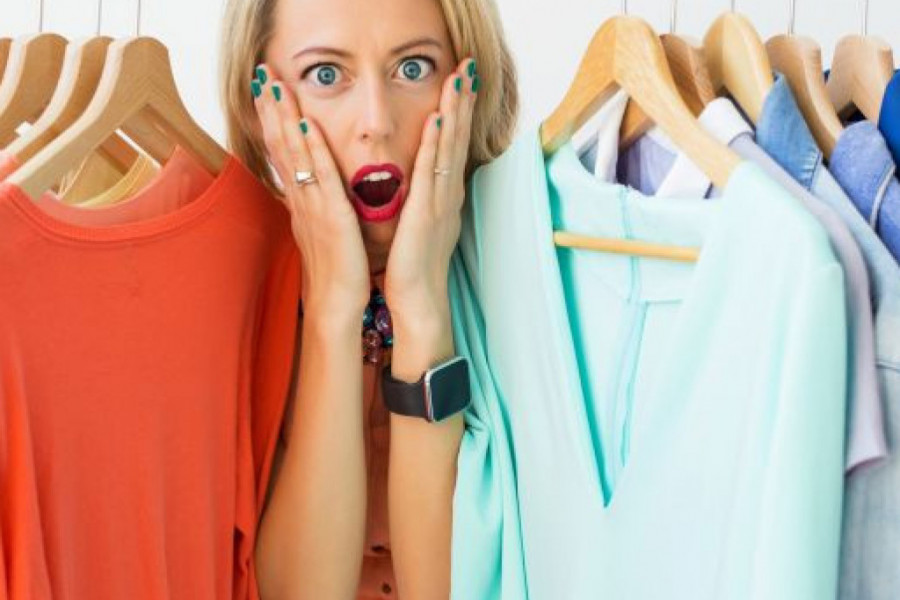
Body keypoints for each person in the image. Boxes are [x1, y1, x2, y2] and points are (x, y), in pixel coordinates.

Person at [219, 0, 518, 597]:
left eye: (413, 68)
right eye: (326, 74)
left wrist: (422, 307)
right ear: (260, 107)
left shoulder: (528, 266)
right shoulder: (223, 285)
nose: (376, 122)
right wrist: (332, 308)